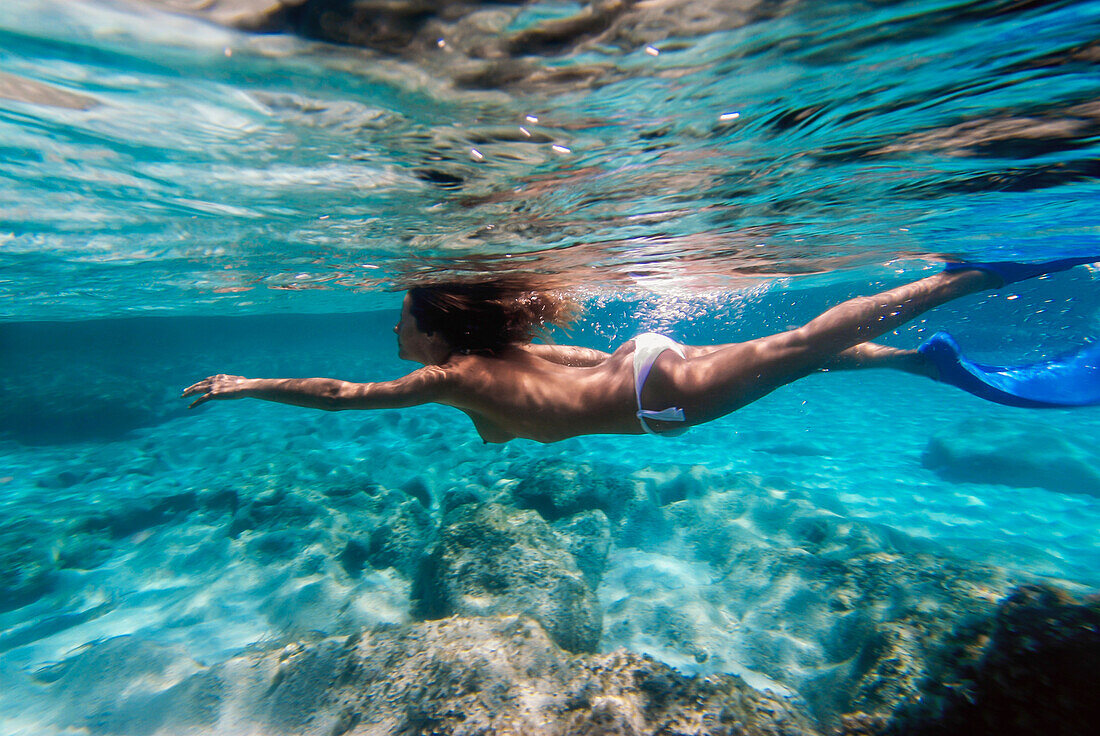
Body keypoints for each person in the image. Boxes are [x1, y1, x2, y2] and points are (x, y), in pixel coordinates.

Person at [183, 258, 1099, 443]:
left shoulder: (452, 375)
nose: (394, 332)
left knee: (806, 339)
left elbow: (344, 396)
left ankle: (973, 274)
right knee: (803, 355)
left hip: (663, 397)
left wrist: (245, 383)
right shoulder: (492, 363)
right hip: (643, 365)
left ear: (435, 330)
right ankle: (923, 360)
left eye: (402, 320)